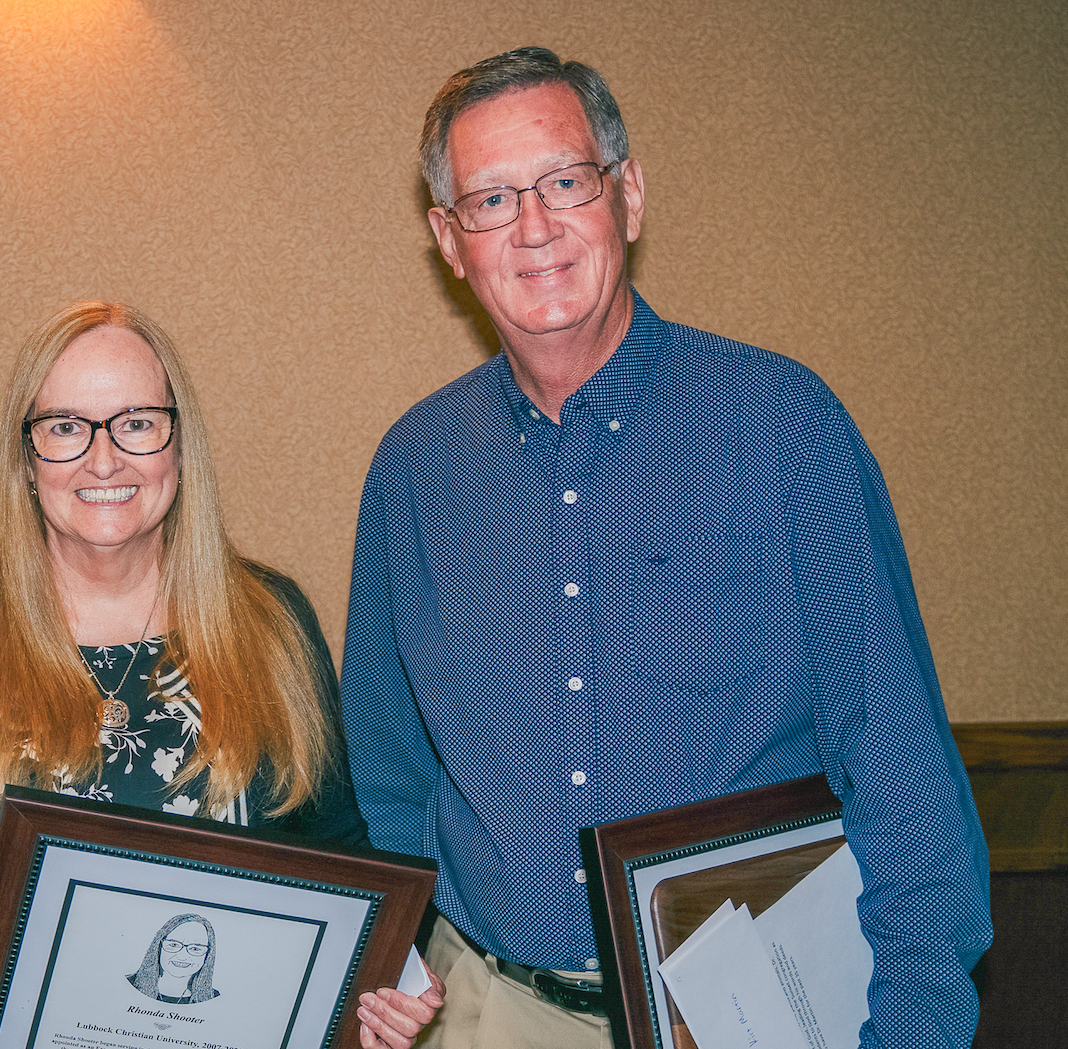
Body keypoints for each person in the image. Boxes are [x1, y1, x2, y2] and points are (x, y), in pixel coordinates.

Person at [339, 47, 991, 1049]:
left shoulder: (784, 428)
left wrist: (911, 1021)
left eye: (564, 181)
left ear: (627, 194)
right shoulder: (411, 471)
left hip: (744, 1015)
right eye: (490, 200)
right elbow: (387, 772)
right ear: (448, 239)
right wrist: (399, 955)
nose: (534, 227)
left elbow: (895, 765)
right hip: (489, 1015)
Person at [0, 301, 442, 1049]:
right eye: (66, 426)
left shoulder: (269, 627)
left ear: (180, 444)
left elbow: (344, 857)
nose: (103, 458)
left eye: (136, 422)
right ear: (25, 455)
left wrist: (378, 985)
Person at [128, 913, 220, 1004]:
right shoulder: (128, 985)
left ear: (208, 954)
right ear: (158, 946)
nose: (182, 957)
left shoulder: (214, 998)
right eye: (174, 945)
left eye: (195, 949)